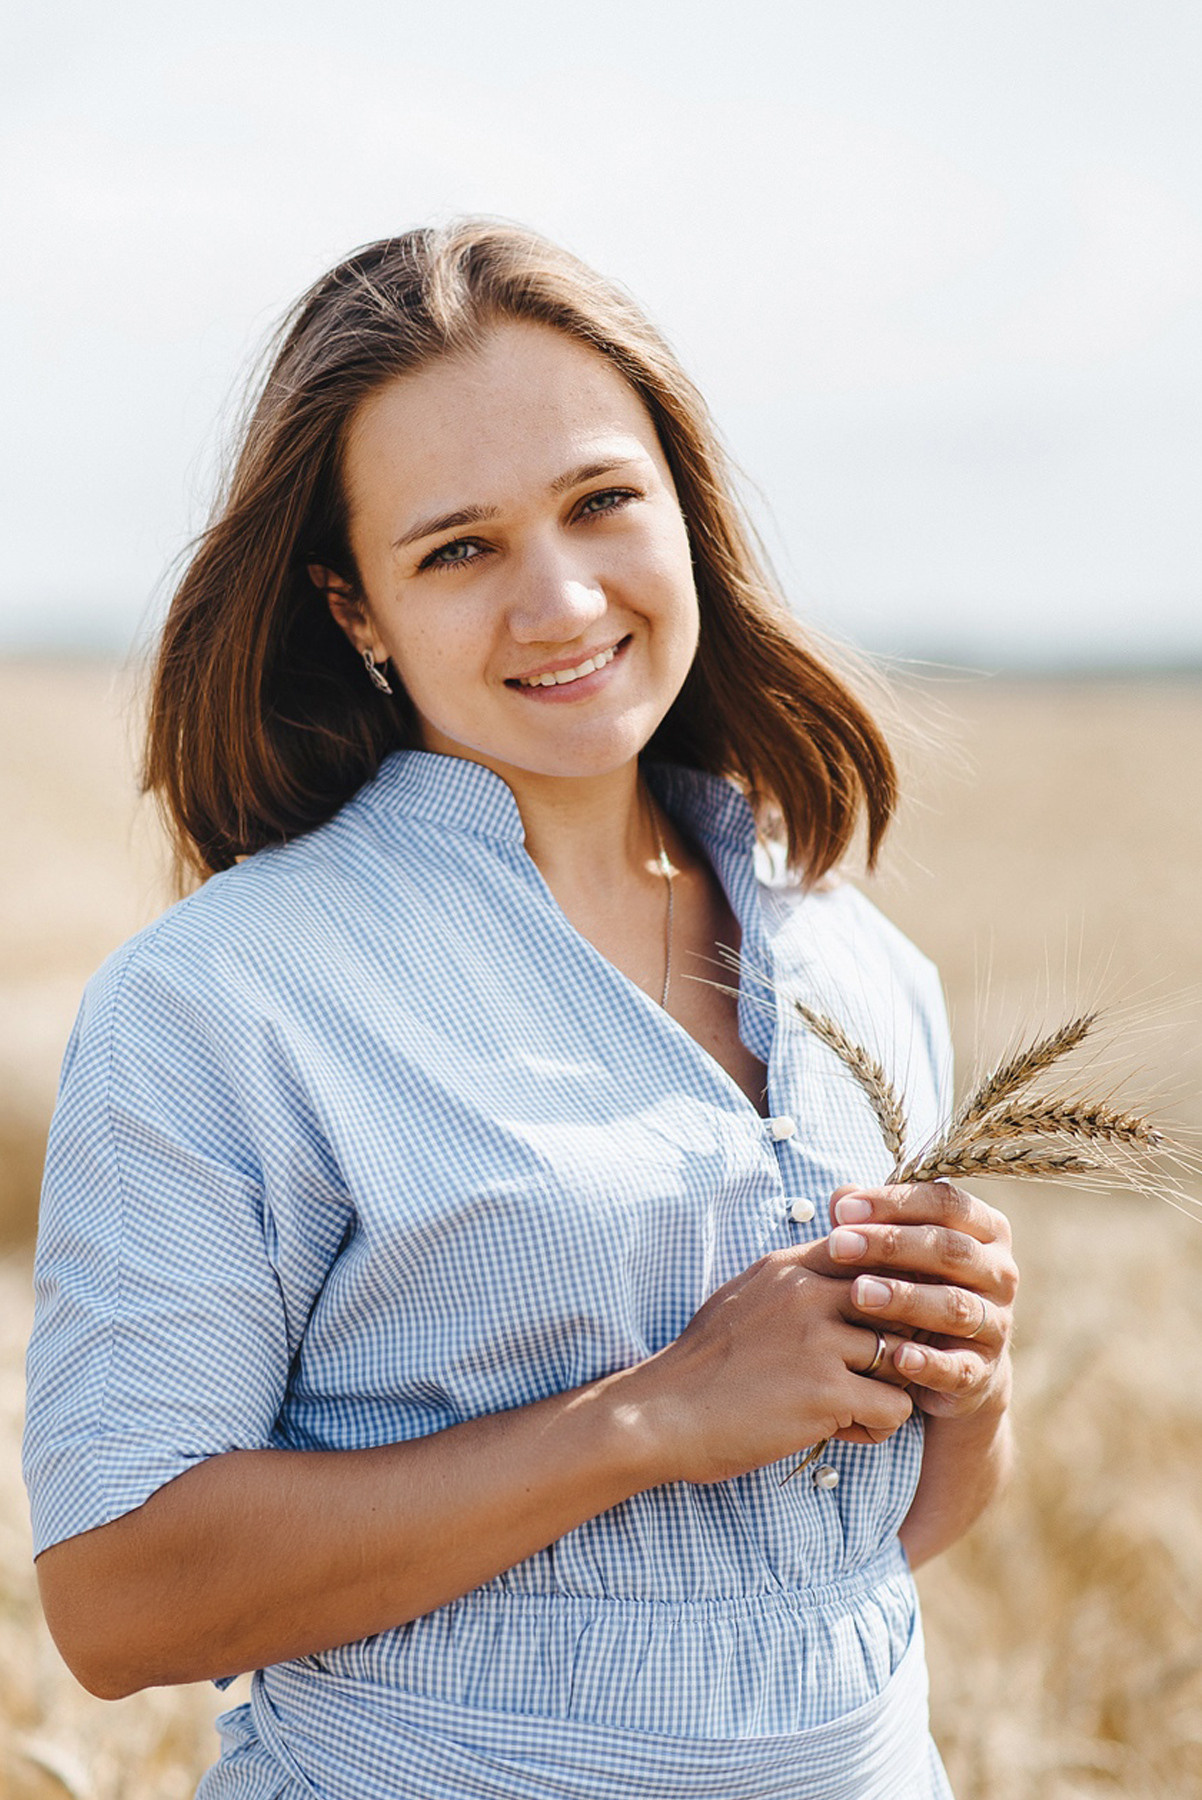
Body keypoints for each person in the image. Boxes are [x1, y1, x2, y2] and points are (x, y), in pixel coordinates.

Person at [24, 219, 1017, 1800]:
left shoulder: (850, 960)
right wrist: (647, 1419)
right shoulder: (229, 997)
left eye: (600, 501)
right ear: (357, 612)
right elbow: (117, 1601)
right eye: (458, 548)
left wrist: (955, 1384)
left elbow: (869, 1554)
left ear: (682, 506)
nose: (560, 601)